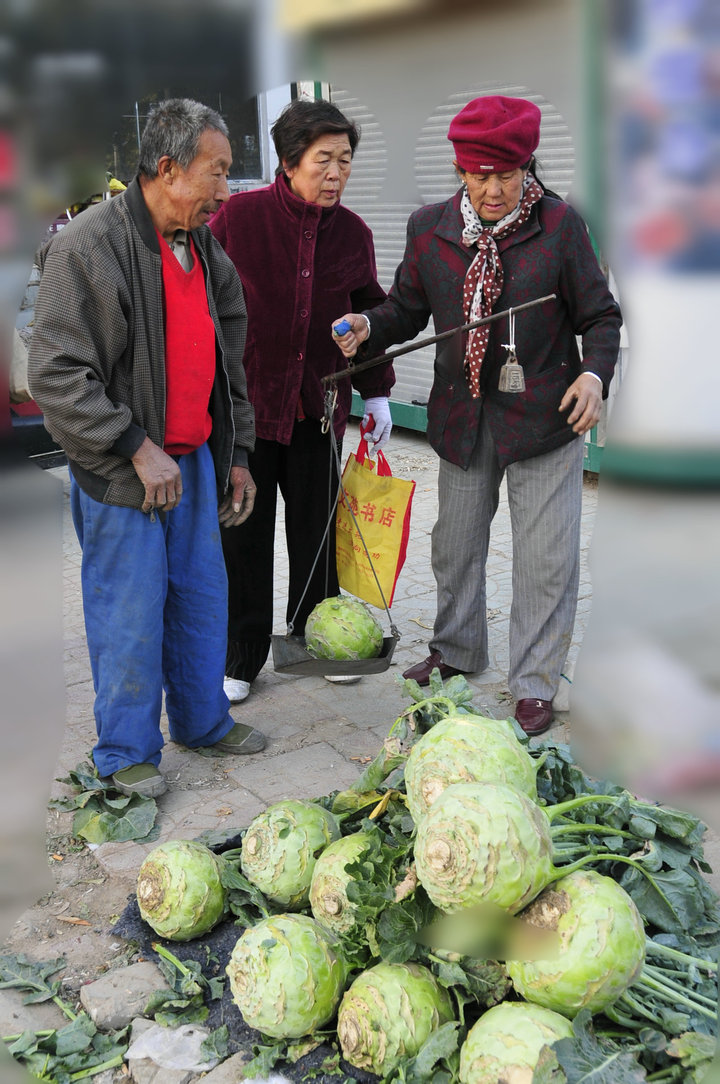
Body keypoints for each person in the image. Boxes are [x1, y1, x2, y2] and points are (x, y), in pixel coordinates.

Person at [334, 95, 621, 736]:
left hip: (546, 418)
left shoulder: (559, 227)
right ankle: (457, 650)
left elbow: (601, 316)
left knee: (546, 560)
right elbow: (405, 309)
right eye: (478, 174)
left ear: (527, 166)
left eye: (506, 174)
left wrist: (594, 376)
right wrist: (366, 326)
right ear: (460, 169)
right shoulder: (431, 228)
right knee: (455, 547)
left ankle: (536, 682)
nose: (492, 189)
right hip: (463, 417)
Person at [28, 98, 266, 798]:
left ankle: (202, 721)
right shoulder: (89, 245)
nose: (226, 190)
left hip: (193, 461)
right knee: (128, 614)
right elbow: (54, 374)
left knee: (199, 598)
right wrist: (133, 444)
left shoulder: (203, 246)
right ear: (167, 169)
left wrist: (240, 453)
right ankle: (125, 755)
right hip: (124, 470)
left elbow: (231, 364)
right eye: (216, 172)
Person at [209, 97, 394, 702]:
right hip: (247, 414)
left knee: (315, 534)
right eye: (324, 160)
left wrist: (378, 394)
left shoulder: (355, 232)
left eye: (345, 160)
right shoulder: (239, 217)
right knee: (245, 534)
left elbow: (373, 311)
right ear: (289, 162)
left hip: (319, 414)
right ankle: (242, 654)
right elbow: (195, 295)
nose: (336, 173)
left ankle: (316, 636)